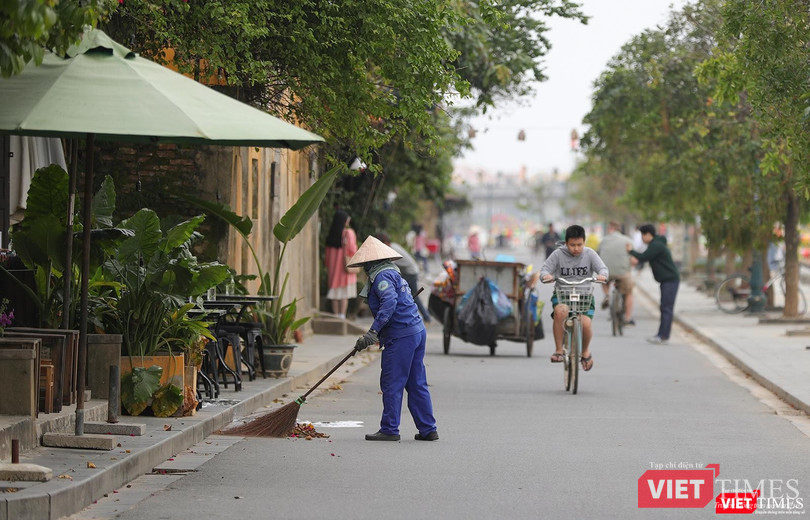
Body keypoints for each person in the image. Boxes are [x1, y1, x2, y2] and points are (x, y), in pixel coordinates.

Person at [348, 235, 438, 442]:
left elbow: (388, 302)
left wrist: (372, 332)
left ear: (370, 262)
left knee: (392, 382)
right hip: (416, 330)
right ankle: (428, 429)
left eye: (365, 264)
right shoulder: (393, 272)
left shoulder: (381, 277)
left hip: (402, 335)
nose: (364, 268)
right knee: (417, 383)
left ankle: (389, 429)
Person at [541, 224, 608, 372]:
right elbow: (545, 269)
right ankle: (558, 350)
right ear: (566, 243)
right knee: (560, 311)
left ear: (584, 242)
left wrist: (602, 275)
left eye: (579, 245)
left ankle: (585, 352)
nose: (576, 248)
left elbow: (603, 268)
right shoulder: (558, 254)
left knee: (585, 323)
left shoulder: (590, 254)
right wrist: (546, 276)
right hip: (563, 293)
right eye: (572, 245)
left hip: (584, 295)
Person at [629, 224, 680, 344]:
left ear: (647, 235)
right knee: (664, 308)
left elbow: (643, 257)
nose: (641, 238)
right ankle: (661, 335)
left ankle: (662, 336)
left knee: (666, 308)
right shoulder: (656, 244)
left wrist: (630, 251)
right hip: (667, 281)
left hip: (670, 280)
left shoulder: (656, 245)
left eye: (642, 235)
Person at [377, 232, 431, 323]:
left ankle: (423, 317)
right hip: (409, 271)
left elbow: (389, 267)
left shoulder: (391, 250)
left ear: (385, 242)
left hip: (410, 272)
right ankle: (422, 316)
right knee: (407, 295)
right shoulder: (393, 246)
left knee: (405, 295)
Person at [597, 221, 636, 326]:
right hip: (622, 273)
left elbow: (598, 255)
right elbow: (634, 260)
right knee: (629, 292)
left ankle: (606, 295)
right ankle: (628, 318)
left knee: (604, 279)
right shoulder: (628, 240)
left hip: (606, 271)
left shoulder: (604, 240)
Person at [324, 210, 358, 319]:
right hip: (344, 270)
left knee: (334, 293)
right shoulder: (348, 233)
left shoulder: (331, 236)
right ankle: (342, 315)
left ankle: (335, 316)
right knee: (344, 294)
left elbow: (327, 258)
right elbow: (352, 249)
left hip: (334, 270)